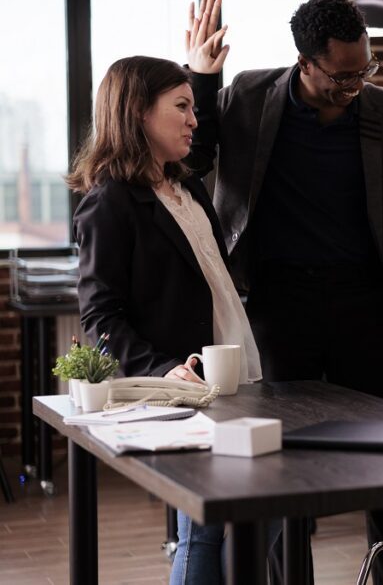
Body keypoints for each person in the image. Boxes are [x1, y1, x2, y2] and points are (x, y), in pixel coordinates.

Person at [183, 0, 383, 584]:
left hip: (361, 305)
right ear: (305, 61)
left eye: (365, 68)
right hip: (276, 304)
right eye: (342, 75)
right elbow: (195, 159)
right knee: (281, 463)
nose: (355, 84)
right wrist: (201, 78)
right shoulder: (249, 95)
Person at [70, 56, 263, 585]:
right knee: (204, 530)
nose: (194, 120)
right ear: (138, 113)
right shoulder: (109, 201)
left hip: (238, 375)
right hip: (185, 390)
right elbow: (100, 315)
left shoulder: (189, 187)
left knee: (262, 515)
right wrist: (163, 370)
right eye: (181, 107)